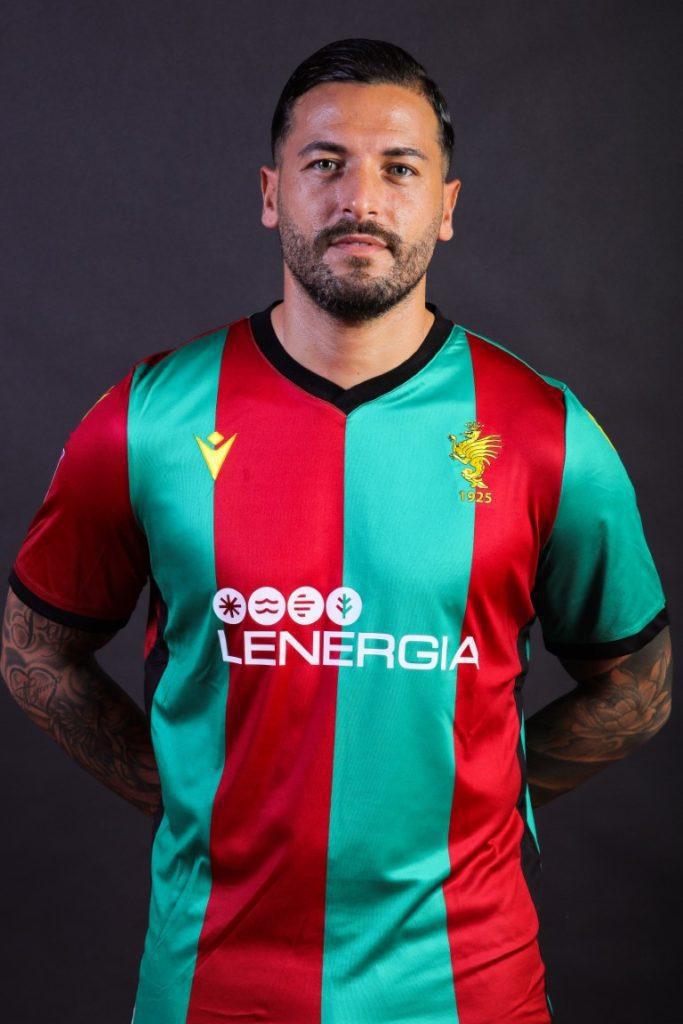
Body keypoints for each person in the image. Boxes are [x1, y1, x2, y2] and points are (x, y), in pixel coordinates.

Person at [1, 36, 672, 1024]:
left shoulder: (545, 434)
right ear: (271, 193)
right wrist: (185, 793)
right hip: (208, 987)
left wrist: (475, 795)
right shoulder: (148, 419)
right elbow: (32, 651)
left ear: (445, 206)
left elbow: (638, 687)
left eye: (399, 168)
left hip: (468, 989)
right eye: (324, 164)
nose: (360, 198)